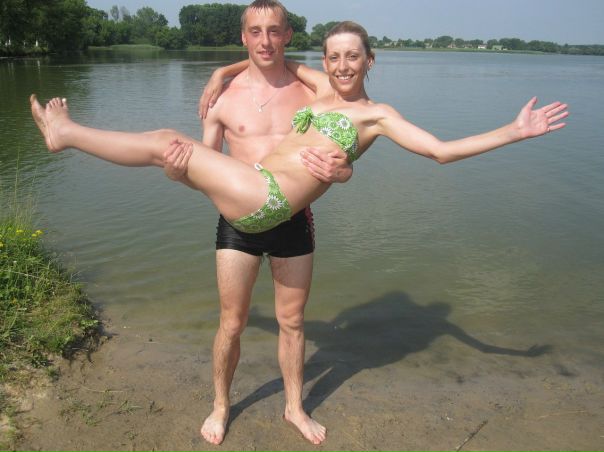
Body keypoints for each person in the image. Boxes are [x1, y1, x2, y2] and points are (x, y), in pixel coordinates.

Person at [30, 19, 568, 446]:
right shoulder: (318, 87)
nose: (341, 65)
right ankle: (221, 405)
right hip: (252, 198)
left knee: (167, 143)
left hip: (273, 202)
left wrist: (513, 131)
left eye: (352, 56)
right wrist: (221, 71)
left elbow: (441, 152)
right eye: (333, 56)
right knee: (177, 166)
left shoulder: (377, 115)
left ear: (370, 60)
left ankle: (66, 135)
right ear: (325, 61)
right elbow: (272, 56)